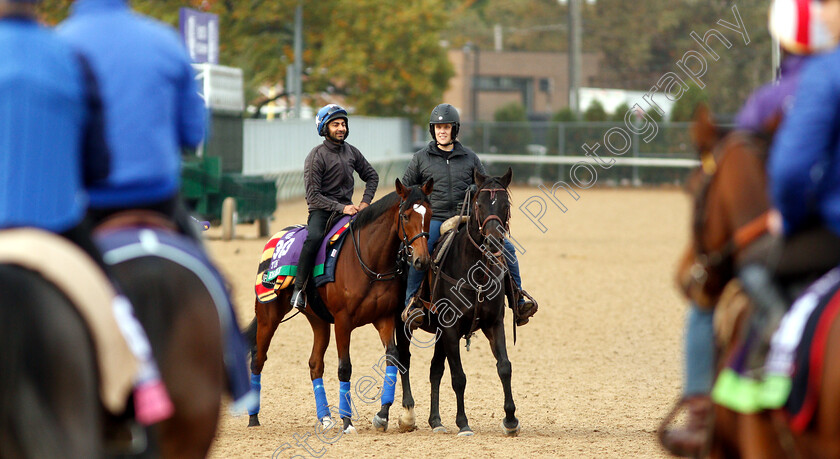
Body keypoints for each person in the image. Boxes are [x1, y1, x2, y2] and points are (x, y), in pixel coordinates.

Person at [661, 1, 834, 455]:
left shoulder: (783, 95)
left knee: (723, 292)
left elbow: (789, 174)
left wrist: (787, 216)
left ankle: (709, 409)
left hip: (817, 231)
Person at [0, 0, 172, 425]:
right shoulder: (69, 57)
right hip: (57, 220)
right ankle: (142, 391)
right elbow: (97, 161)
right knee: (115, 302)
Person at [56, 0, 206, 238]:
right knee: (206, 269)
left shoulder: (57, 44)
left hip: (84, 200)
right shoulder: (166, 41)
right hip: (156, 196)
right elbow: (194, 133)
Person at [401, 103, 537, 328]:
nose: (442, 131)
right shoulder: (420, 158)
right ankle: (412, 303)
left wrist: (475, 191)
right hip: (435, 219)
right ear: (432, 130)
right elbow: (406, 190)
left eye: (446, 127)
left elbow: (484, 188)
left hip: (465, 220)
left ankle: (518, 301)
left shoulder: (470, 158)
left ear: (454, 129)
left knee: (508, 249)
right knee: (422, 253)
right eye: (438, 127)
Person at [291, 104, 379, 309]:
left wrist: (365, 203)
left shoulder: (352, 152)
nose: (341, 128)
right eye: (335, 124)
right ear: (324, 128)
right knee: (313, 238)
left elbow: (372, 176)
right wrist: (342, 208)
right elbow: (313, 196)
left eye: (343, 124)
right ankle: (298, 289)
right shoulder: (316, 156)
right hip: (321, 212)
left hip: (348, 210)